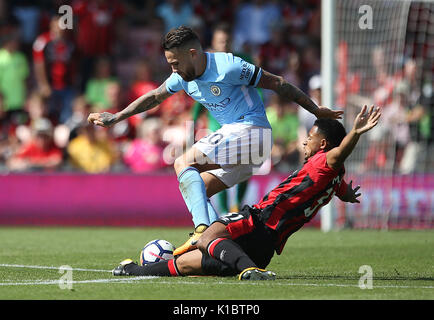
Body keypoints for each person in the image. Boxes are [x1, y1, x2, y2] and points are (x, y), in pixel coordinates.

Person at [87, 26, 342, 256]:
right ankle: (217, 245)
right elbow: (155, 96)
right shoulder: (181, 77)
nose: (173, 70)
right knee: (197, 188)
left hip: (252, 129)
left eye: (176, 63)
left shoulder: (228, 66)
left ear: (193, 53)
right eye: (170, 64)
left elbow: (278, 83)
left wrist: (315, 110)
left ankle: (201, 231)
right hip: (247, 146)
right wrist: (118, 116)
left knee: (183, 163)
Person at [112, 105, 381, 280]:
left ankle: (249, 270)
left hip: (259, 220)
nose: (304, 141)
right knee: (186, 264)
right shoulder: (335, 179)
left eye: (309, 137)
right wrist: (346, 194)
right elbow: (339, 187)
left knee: (207, 236)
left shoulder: (325, 162)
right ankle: (133, 270)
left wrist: (355, 133)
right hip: (265, 246)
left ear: (323, 144)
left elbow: (339, 154)